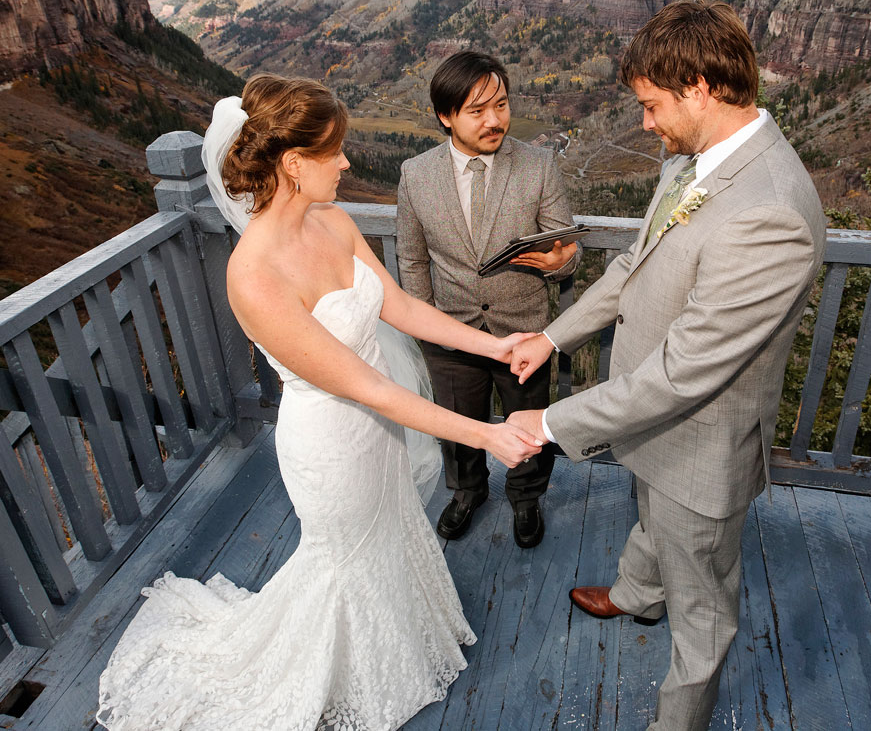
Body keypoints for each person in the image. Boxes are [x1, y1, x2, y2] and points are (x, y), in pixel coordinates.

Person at [97, 74, 544, 731]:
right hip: (332, 446)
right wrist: (487, 435)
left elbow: (401, 306)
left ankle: (402, 643)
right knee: (345, 565)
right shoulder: (254, 276)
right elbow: (369, 387)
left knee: (391, 535)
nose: (346, 161)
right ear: (293, 163)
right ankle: (336, 675)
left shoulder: (331, 220)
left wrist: (496, 345)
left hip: (382, 433)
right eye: (333, 151)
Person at [507, 1, 826, 730]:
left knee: (705, 608)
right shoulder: (692, 161)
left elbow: (686, 373)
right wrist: (553, 338)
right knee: (650, 515)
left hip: (700, 436)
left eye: (652, 105)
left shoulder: (769, 212)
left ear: (701, 89)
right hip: (649, 423)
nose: (646, 124)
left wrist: (552, 421)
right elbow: (634, 265)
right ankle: (635, 593)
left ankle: (677, 721)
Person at [396, 50, 580, 549]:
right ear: (446, 115)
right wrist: (427, 322)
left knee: (529, 422)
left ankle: (526, 497)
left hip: (524, 333)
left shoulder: (539, 166)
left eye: (500, 105)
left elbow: (567, 253)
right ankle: (467, 492)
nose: (494, 120)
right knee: (458, 422)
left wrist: (558, 263)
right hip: (450, 333)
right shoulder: (415, 174)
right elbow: (412, 260)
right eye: (477, 111)